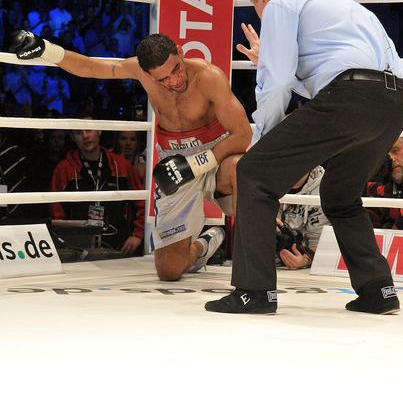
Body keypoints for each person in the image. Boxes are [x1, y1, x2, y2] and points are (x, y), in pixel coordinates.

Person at [204, 0, 403, 315]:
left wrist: (262, 140)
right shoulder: (339, 6)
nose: (260, 15)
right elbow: (331, 77)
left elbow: (280, 84)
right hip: (395, 101)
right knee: (339, 194)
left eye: (255, 6)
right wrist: (269, 60)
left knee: (252, 172)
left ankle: (254, 291)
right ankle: (378, 289)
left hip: (352, 97)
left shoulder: (281, 4)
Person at [10, 32, 251, 280]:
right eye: (163, 79)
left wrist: (195, 164)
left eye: (176, 69)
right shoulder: (140, 71)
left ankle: (251, 272)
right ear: (147, 74)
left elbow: (243, 134)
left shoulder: (208, 77)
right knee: (168, 271)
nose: (175, 80)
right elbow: (90, 67)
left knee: (241, 168)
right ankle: (205, 244)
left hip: (215, 157)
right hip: (174, 167)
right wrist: (47, 49)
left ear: (180, 52)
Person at [50, 113, 145, 256]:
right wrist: (65, 243)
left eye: (89, 130)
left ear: (99, 130)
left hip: (119, 245)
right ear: (73, 137)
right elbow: (56, 212)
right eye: (78, 133)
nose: (85, 136)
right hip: (79, 249)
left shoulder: (121, 165)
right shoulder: (64, 169)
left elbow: (142, 201)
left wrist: (138, 235)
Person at [276, 167, 329, 270]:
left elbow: (319, 242)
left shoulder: (324, 186)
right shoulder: (264, 177)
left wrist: (304, 260)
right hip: (266, 259)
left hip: (306, 266)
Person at [366, 136, 403, 230]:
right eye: (385, 155)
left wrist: (395, 231)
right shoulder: (379, 178)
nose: (392, 159)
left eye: (395, 151)